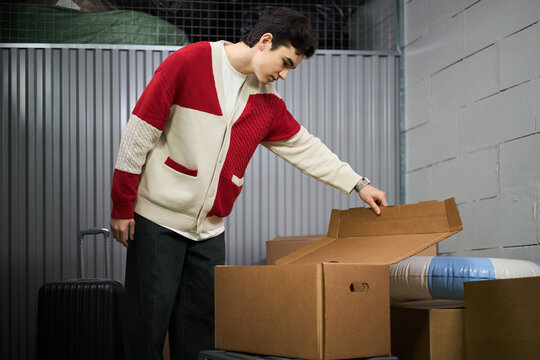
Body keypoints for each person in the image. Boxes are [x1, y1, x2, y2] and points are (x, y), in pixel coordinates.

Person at [110, 7, 387, 360]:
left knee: (200, 332)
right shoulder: (191, 61)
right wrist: (122, 206)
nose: (285, 75)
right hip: (157, 220)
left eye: (292, 68)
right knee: (147, 324)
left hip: (208, 232)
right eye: (285, 63)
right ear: (265, 42)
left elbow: (306, 148)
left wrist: (358, 183)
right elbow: (139, 134)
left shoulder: (268, 104)